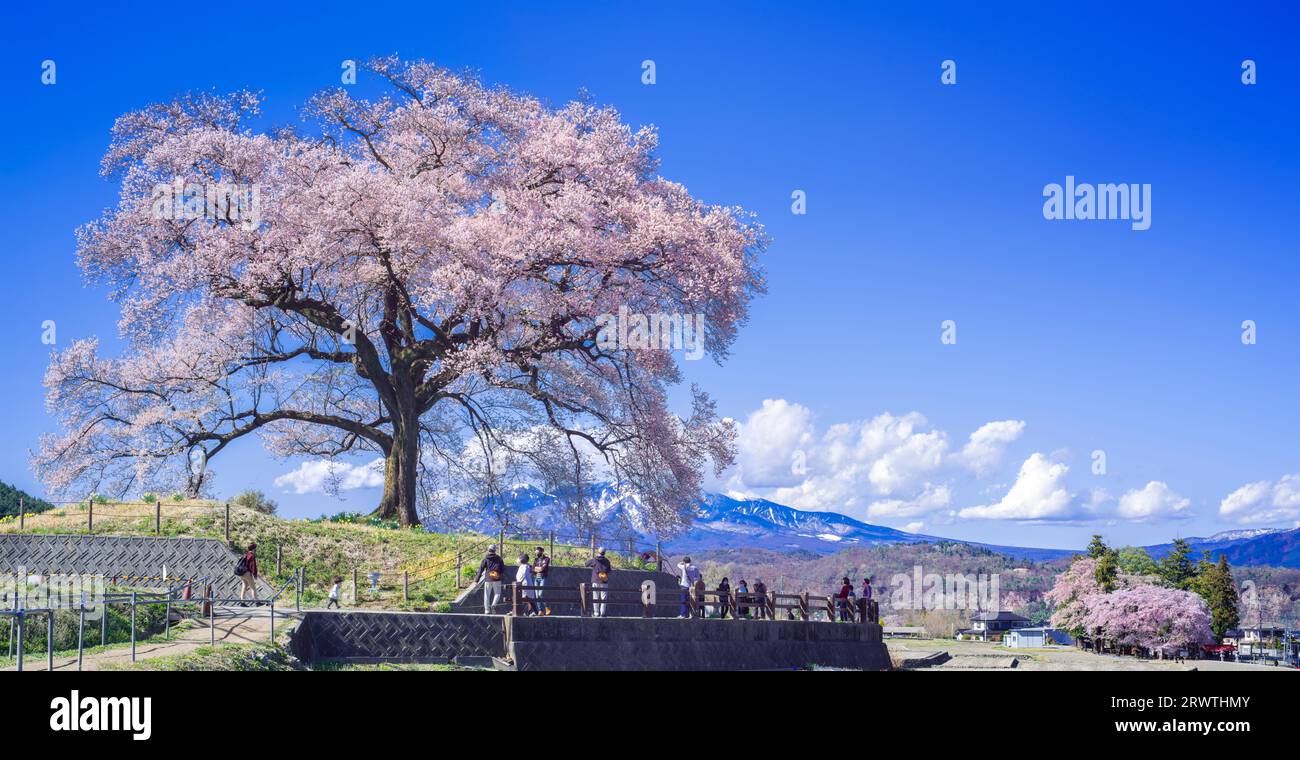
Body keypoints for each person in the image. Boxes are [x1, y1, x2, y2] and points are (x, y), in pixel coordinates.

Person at [476, 545, 506, 614]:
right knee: (497, 593)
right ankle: (493, 605)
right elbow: (502, 569)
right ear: (495, 550)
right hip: (497, 578)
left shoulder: (485, 559)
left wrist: (476, 580)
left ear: (488, 550)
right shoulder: (499, 558)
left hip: (488, 578)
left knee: (487, 595)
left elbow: (481, 569)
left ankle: (487, 610)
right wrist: (500, 575)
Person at [586, 548, 612, 617]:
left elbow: (586, 564)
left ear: (598, 552)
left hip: (595, 580)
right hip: (604, 581)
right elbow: (609, 570)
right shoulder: (607, 561)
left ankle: (596, 613)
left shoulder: (594, 560)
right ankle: (602, 613)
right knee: (604, 598)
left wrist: (593, 566)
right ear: (604, 553)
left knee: (596, 597)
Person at [532, 546, 551, 615]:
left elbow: (543, 568)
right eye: (536, 551)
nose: (536, 552)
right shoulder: (536, 560)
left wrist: (538, 569)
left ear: (542, 551)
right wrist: (537, 568)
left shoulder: (546, 559)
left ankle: (547, 607)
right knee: (537, 596)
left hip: (543, 578)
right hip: (536, 578)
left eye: (538, 551)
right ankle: (540, 611)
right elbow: (533, 569)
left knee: (540, 594)